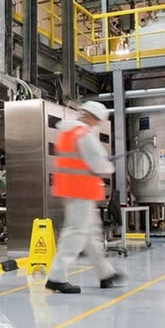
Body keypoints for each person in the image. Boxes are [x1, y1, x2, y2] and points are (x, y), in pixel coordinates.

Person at [45, 101, 123, 294]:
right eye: (97, 120)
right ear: (91, 117)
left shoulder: (67, 132)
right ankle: (57, 276)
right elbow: (99, 165)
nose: (96, 124)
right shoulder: (84, 134)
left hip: (72, 189)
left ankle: (105, 273)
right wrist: (107, 164)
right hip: (80, 190)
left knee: (89, 234)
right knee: (76, 232)